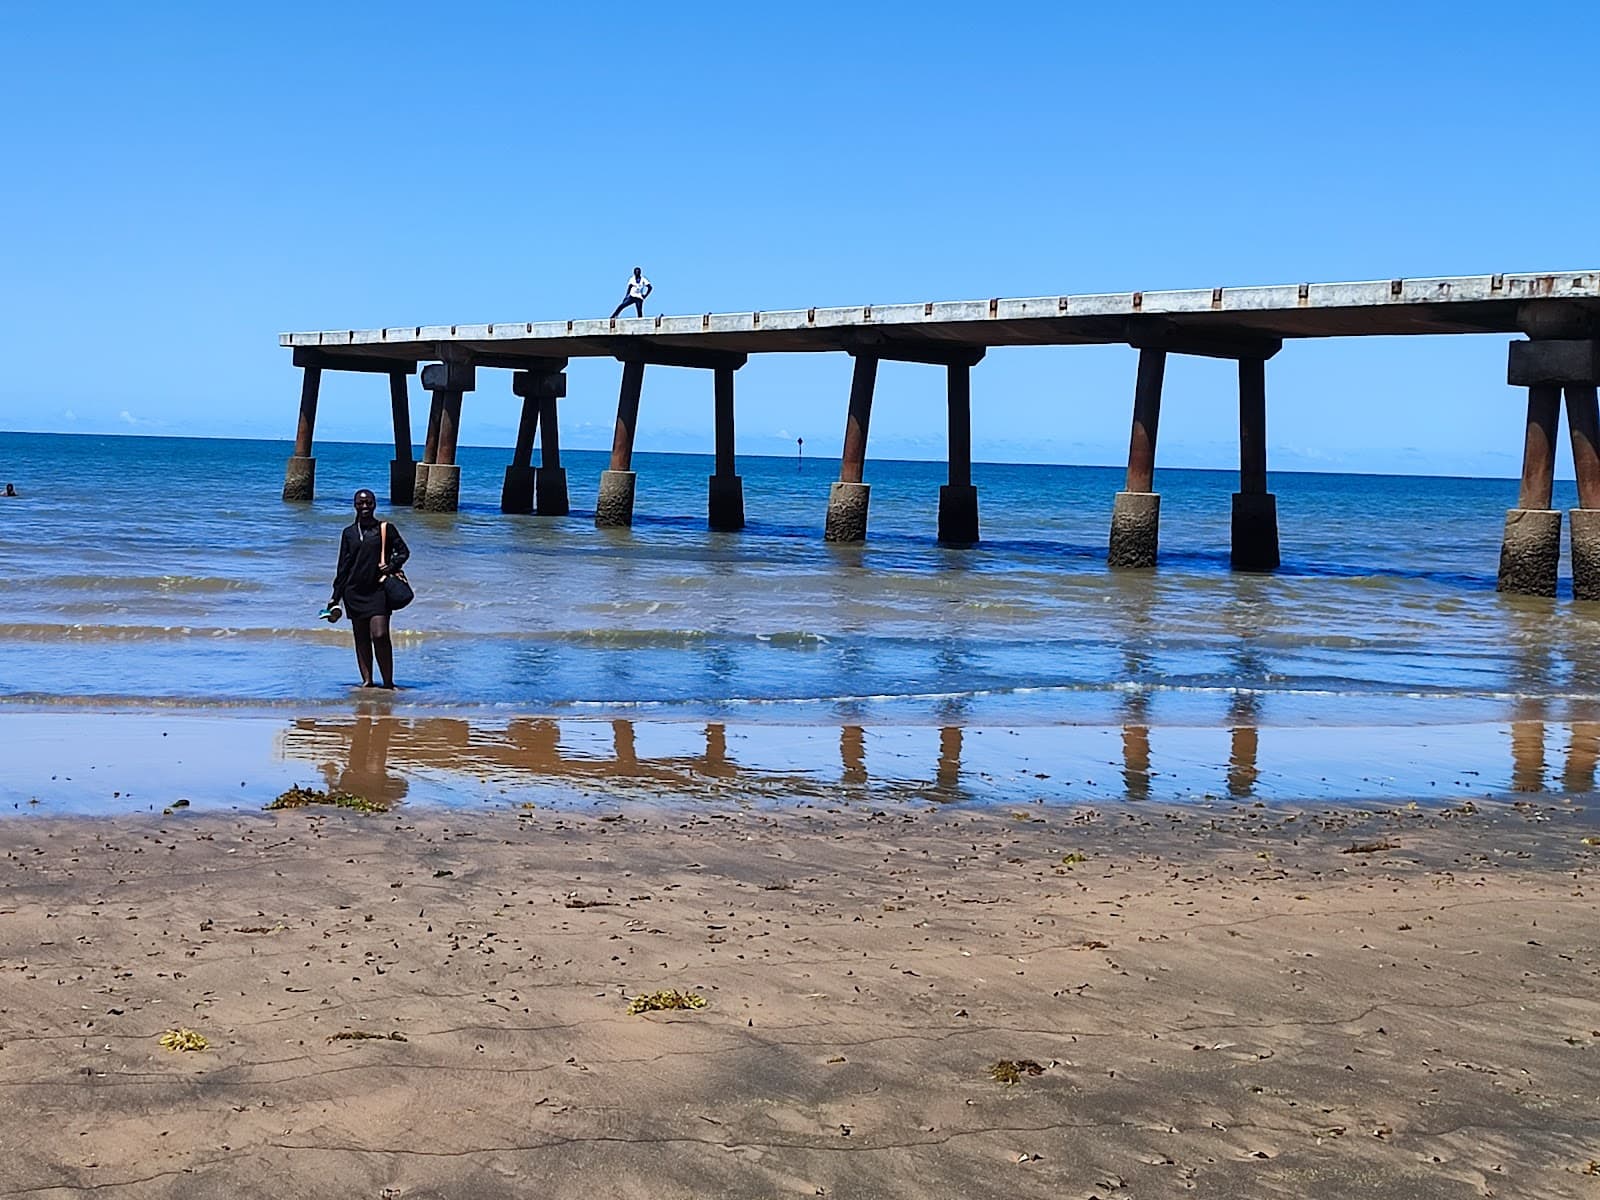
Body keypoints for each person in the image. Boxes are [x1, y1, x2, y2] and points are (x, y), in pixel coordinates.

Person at [329, 488, 409, 689]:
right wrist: (335, 597)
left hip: (378, 589)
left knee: (380, 635)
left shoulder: (385, 529)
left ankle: (388, 682)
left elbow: (403, 552)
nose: (364, 506)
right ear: (354, 505)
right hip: (353, 591)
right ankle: (367, 681)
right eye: (360, 503)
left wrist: (391, 566)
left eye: (369, 502)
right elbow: (343, 566)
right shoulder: (348, 533)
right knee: (361, 637)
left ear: (374, 504)